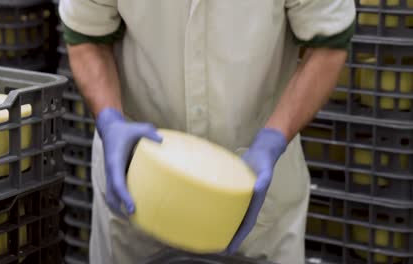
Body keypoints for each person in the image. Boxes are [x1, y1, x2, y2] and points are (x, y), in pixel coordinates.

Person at [59, 1, 355, 263]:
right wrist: (111, 120)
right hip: (138, 177)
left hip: (258, 178)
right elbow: (87, 34)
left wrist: (273, 140)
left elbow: (328, 43)